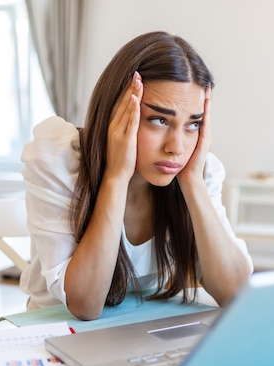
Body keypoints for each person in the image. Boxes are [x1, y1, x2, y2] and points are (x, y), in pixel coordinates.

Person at [20, 31, 253, 320]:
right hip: (54, 333)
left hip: (138, 330)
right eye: (159, 120)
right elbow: (86, 305)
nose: (176, 148)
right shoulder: (60, 160)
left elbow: (237, 294)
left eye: (193, 124)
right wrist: (116, 176)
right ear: (116, 112)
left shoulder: (198, 170)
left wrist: (192, 183)